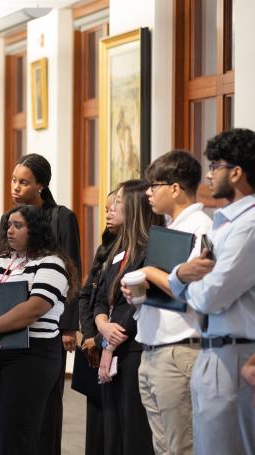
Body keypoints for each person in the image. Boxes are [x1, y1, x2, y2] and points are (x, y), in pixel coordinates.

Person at [117, 150, 211, 455]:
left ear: (175, 188)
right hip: (153, 347)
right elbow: (164, 283)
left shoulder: (200, 228)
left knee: (182, 445)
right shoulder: (170, 228)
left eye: (153, 186)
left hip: (179, 348)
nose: (147, 193)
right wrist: (140, 292)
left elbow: (194, 287)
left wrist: (148, 272)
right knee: (163, 447)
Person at [168, 128, 255, 454]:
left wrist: (184, 280)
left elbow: (211, 295)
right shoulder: (224, 222)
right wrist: (182, 275)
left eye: (214, 165)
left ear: (235, 172)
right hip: (214, 351)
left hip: (236, 355)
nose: (208, 174)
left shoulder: (249, 225)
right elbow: (183, 276)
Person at [0, 205, 77, 455]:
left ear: (35, 230)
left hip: (32, 356)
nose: (10, 230)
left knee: (16, 433)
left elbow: (34, 308)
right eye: (9, 225)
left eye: (18, 225)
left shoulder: (51, 263)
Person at [0, 153, 81, 455]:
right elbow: (0, 267)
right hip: (11, 321)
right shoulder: (8, 218)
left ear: (41, 186)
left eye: (24, 182)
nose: (16, 187)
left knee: (47, 403)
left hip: (49, 320)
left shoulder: (62, 217)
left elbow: (73, 270)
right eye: (14, 180)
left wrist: (70, 325)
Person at [94, 179, 163, 455]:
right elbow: (101, 296)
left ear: (134, 207)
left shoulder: (150, 249)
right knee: (113, 431)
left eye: (118, 202)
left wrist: (110, 343)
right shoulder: (118, 248)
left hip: (132, 347)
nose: (111, 208)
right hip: (110, 342)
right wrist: (101, 325)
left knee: (133, 430)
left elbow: (139, 304)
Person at [76, 190, 118, 455]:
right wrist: (90, 336)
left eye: (114, 208)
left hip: (114, 342)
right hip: (95, 343)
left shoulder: (138, 249)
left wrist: (101, 338)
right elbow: (86, 295)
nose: (108, 214)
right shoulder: (105, 249)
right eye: (105, 210)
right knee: (96, 426)